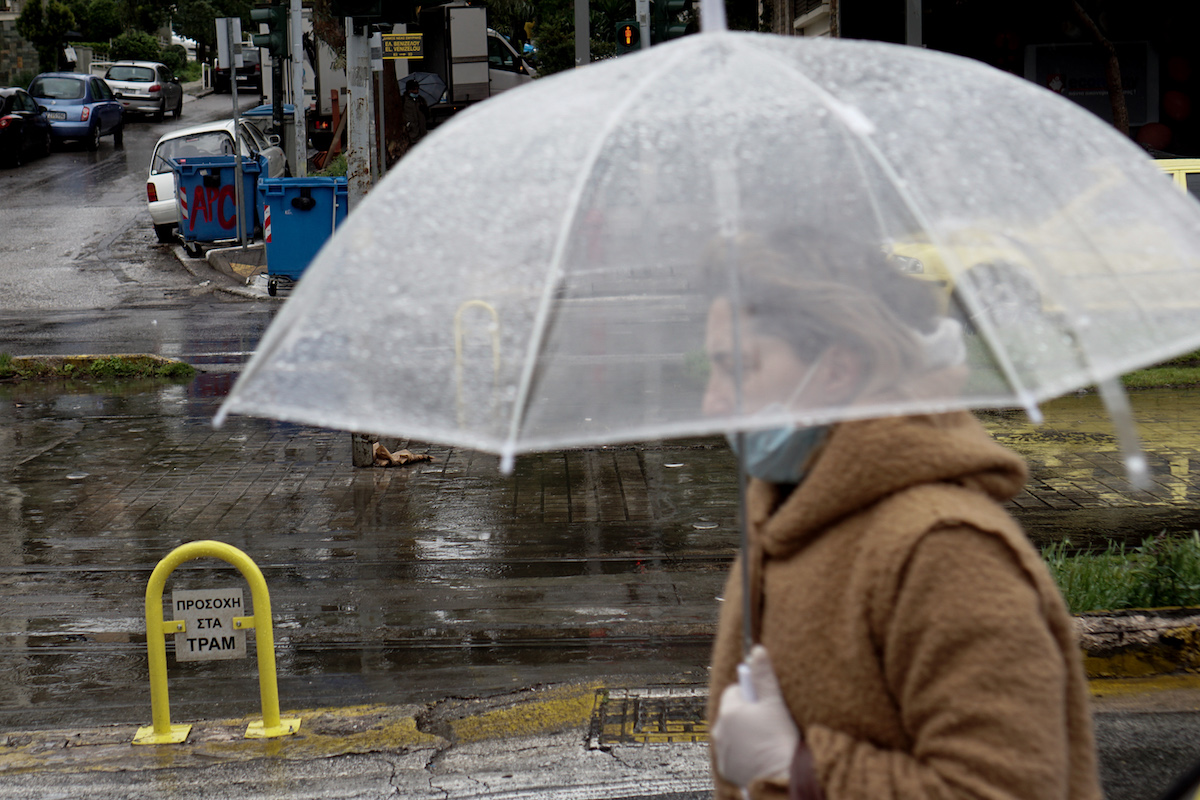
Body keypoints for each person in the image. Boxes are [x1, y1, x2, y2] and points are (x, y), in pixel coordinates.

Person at [702, 232, 1101, 800]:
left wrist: (798, 771)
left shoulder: (944, 550)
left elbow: (1002, 788)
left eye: (737, 366)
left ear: (837, 370)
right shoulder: (782, 514)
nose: (711, 401)